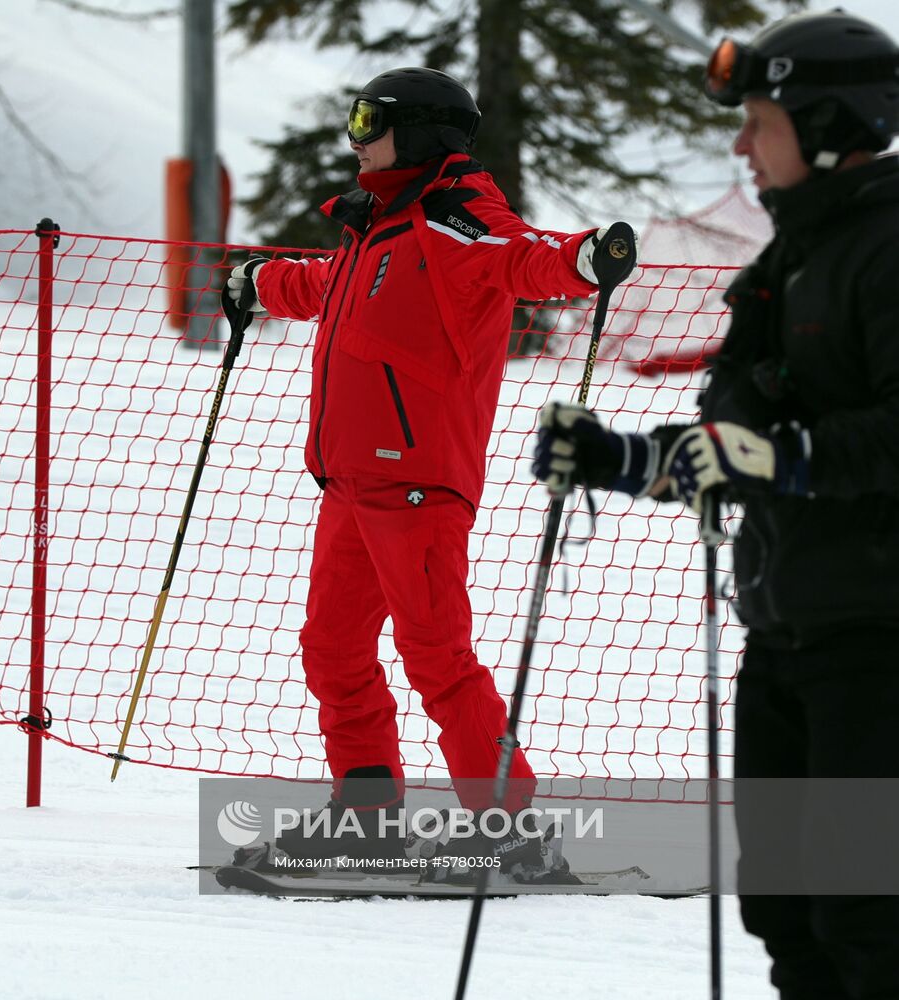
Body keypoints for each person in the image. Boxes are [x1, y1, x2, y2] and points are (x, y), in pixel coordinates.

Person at [533, 9, 899, 995]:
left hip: (875, 647)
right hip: (785, 638)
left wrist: (781, 456)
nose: (740, 143)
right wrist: (615, 457)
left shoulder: (884, 249)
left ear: (828, 123)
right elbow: (723, 451)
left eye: (759, 120)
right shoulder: (780, 265)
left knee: (869, 918)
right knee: (786, 910)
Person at [224, 66, 627, 878]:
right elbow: (327, 285)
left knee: (435, 653)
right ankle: (366, 816)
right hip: (350, 480)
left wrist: (585, 260)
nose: (357, 135)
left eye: (371, 118)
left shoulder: (455, 216)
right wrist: (259, 283)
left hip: (415, 480)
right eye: (355, 114)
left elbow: (524, 260)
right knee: (332, 648)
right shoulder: (380, 222)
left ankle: (510, 829)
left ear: (420, 132)